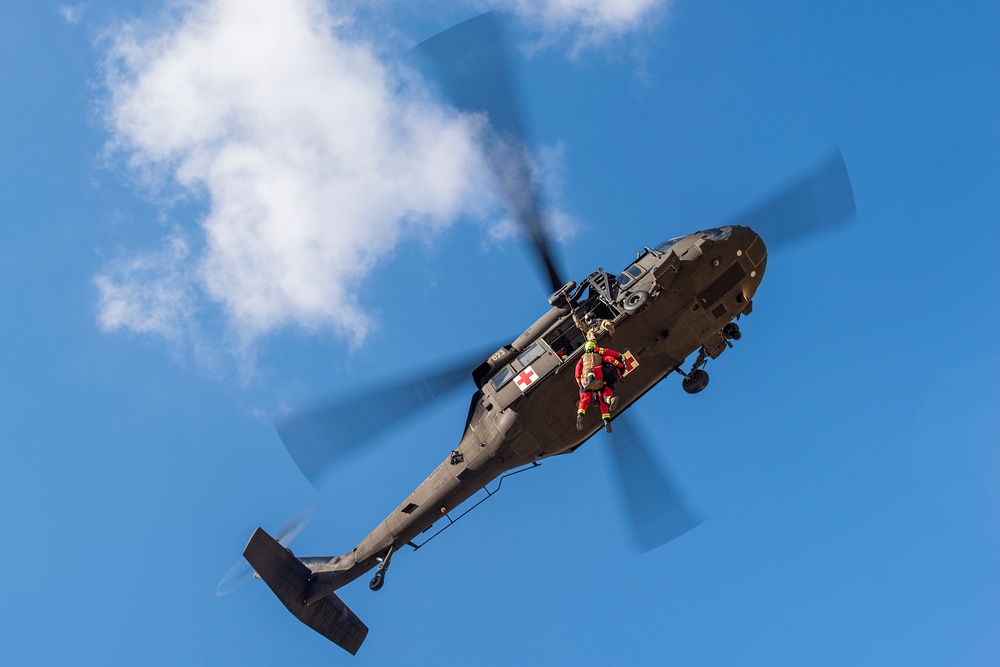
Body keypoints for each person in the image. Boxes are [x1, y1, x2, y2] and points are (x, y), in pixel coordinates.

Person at [574, 339, 625, 433]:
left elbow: (577, 371)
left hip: (587, 380)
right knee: (603, 399)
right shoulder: (618, 359)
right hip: (609, 379)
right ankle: (607, 420)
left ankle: (580, 415)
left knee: (584, 399)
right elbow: (610, 358)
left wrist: (580, 384)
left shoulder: (583, 358)